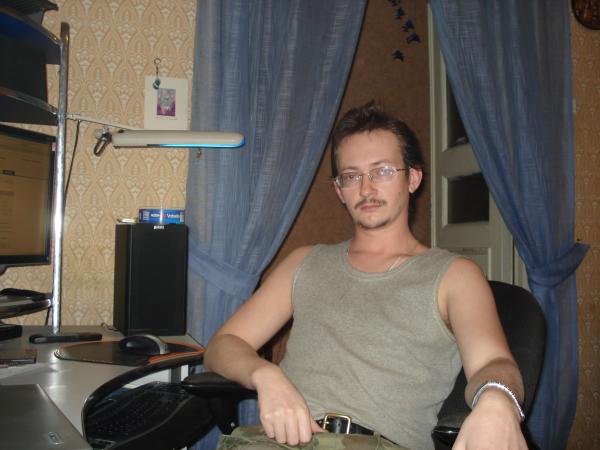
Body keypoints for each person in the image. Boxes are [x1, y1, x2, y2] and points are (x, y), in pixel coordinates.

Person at [204, 102, 527, 450]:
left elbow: (493, 362)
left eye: (382, 171)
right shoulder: (304, 262)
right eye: (352, 176)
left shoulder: (454, 275)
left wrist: (497, 399)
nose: (366, 188)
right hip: (279, 443)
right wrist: (266, 374)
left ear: (413, 178)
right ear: (339, 190)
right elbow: (223, 344)